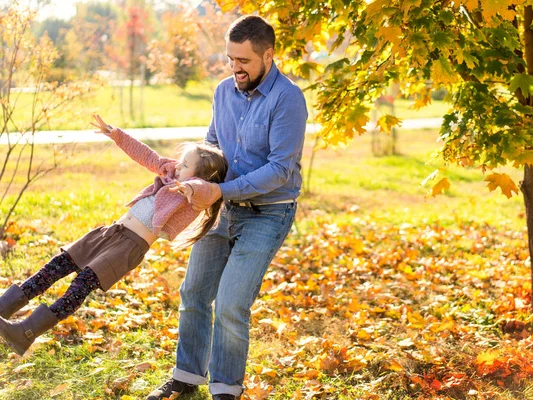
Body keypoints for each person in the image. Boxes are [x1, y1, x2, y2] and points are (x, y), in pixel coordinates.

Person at [147, 15, 308, 400]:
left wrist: (220, 191)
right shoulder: (223, 91)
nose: (235, 68)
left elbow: (280, 170)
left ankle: (225, 389)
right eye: (230, 59)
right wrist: (190, 169)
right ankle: (186, 378)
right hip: (222, 208)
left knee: (233, 303)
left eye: (244, 61)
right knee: (195, 292)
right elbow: (213, 141)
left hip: (268, 211)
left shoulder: (288, 99)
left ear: (268, 55)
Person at [0, 114, 228, 356]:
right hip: (108, 233)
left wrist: (190, 186)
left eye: (184, 166)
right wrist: (115, 134)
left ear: (199, 176)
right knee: (57, 265)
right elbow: (146, 155)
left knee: (80, 285)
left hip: (127, 248)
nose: (177, 167)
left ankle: (25, 332)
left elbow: (206, 191)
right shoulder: (170, 174)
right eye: (180, 163)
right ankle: (3, 307)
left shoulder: (192, 197)